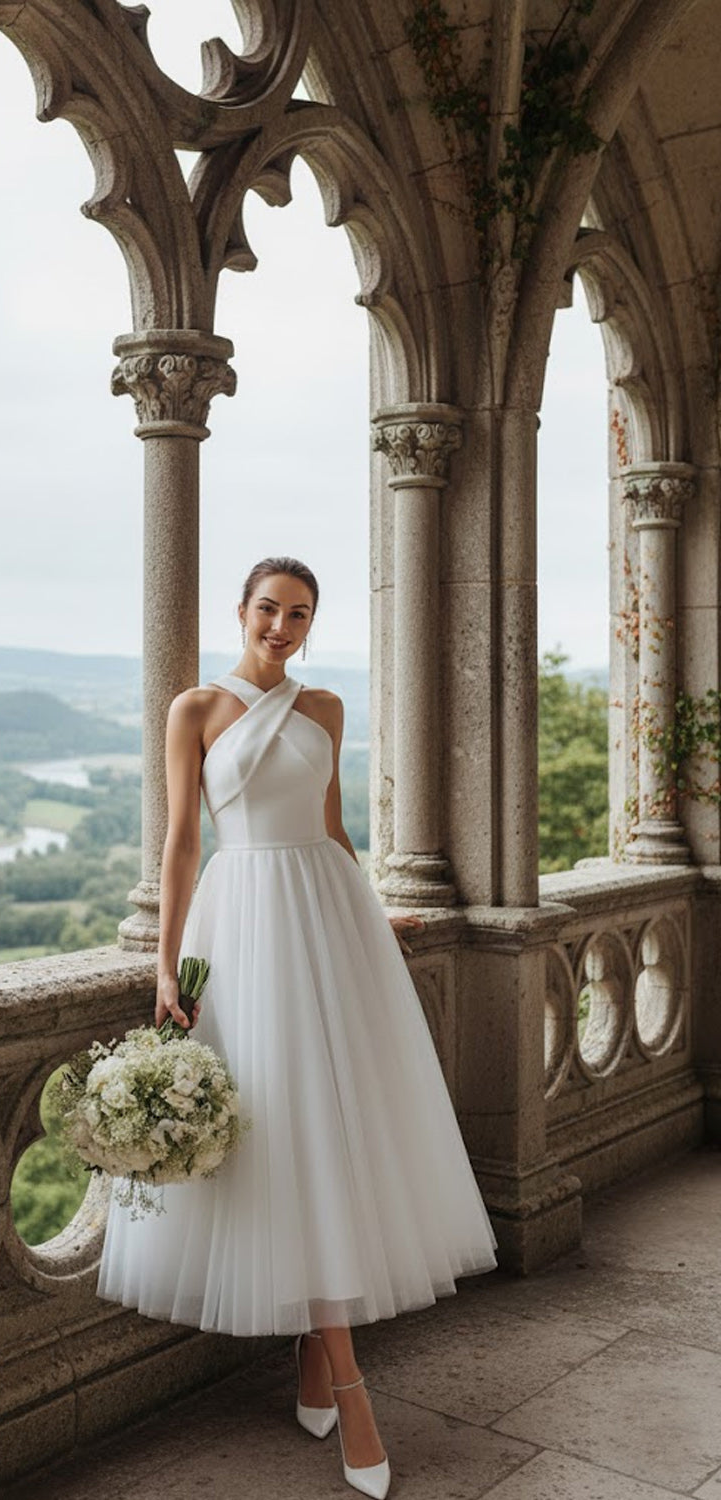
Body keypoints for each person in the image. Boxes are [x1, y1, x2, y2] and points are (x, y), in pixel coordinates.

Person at [97, 557, 499, 1497]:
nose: (282, 624)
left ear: (311, 625)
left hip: (326, 922)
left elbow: (333, 827)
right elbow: (184, 839)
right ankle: (346, 1383)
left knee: (342, 1134)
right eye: (269, 608)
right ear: (241, 612)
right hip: (242, 931)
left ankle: (320, 1360)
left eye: (300, 613)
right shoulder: (194, 709)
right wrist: (165, 963)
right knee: (280, 1136)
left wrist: (368, 918)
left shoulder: (324, 711)